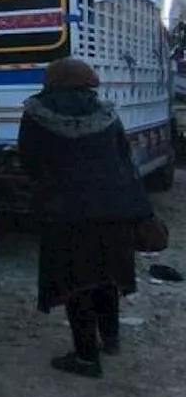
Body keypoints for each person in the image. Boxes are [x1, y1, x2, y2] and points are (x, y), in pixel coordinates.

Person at [18, 57, 154, 378]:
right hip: (114, 208)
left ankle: (85, 357)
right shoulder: (106, 113)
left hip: (65, 213)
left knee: (75, 283)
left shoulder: (37, 113)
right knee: (107, 275)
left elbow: (30, 160)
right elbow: (124, 159)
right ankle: (111, 337)